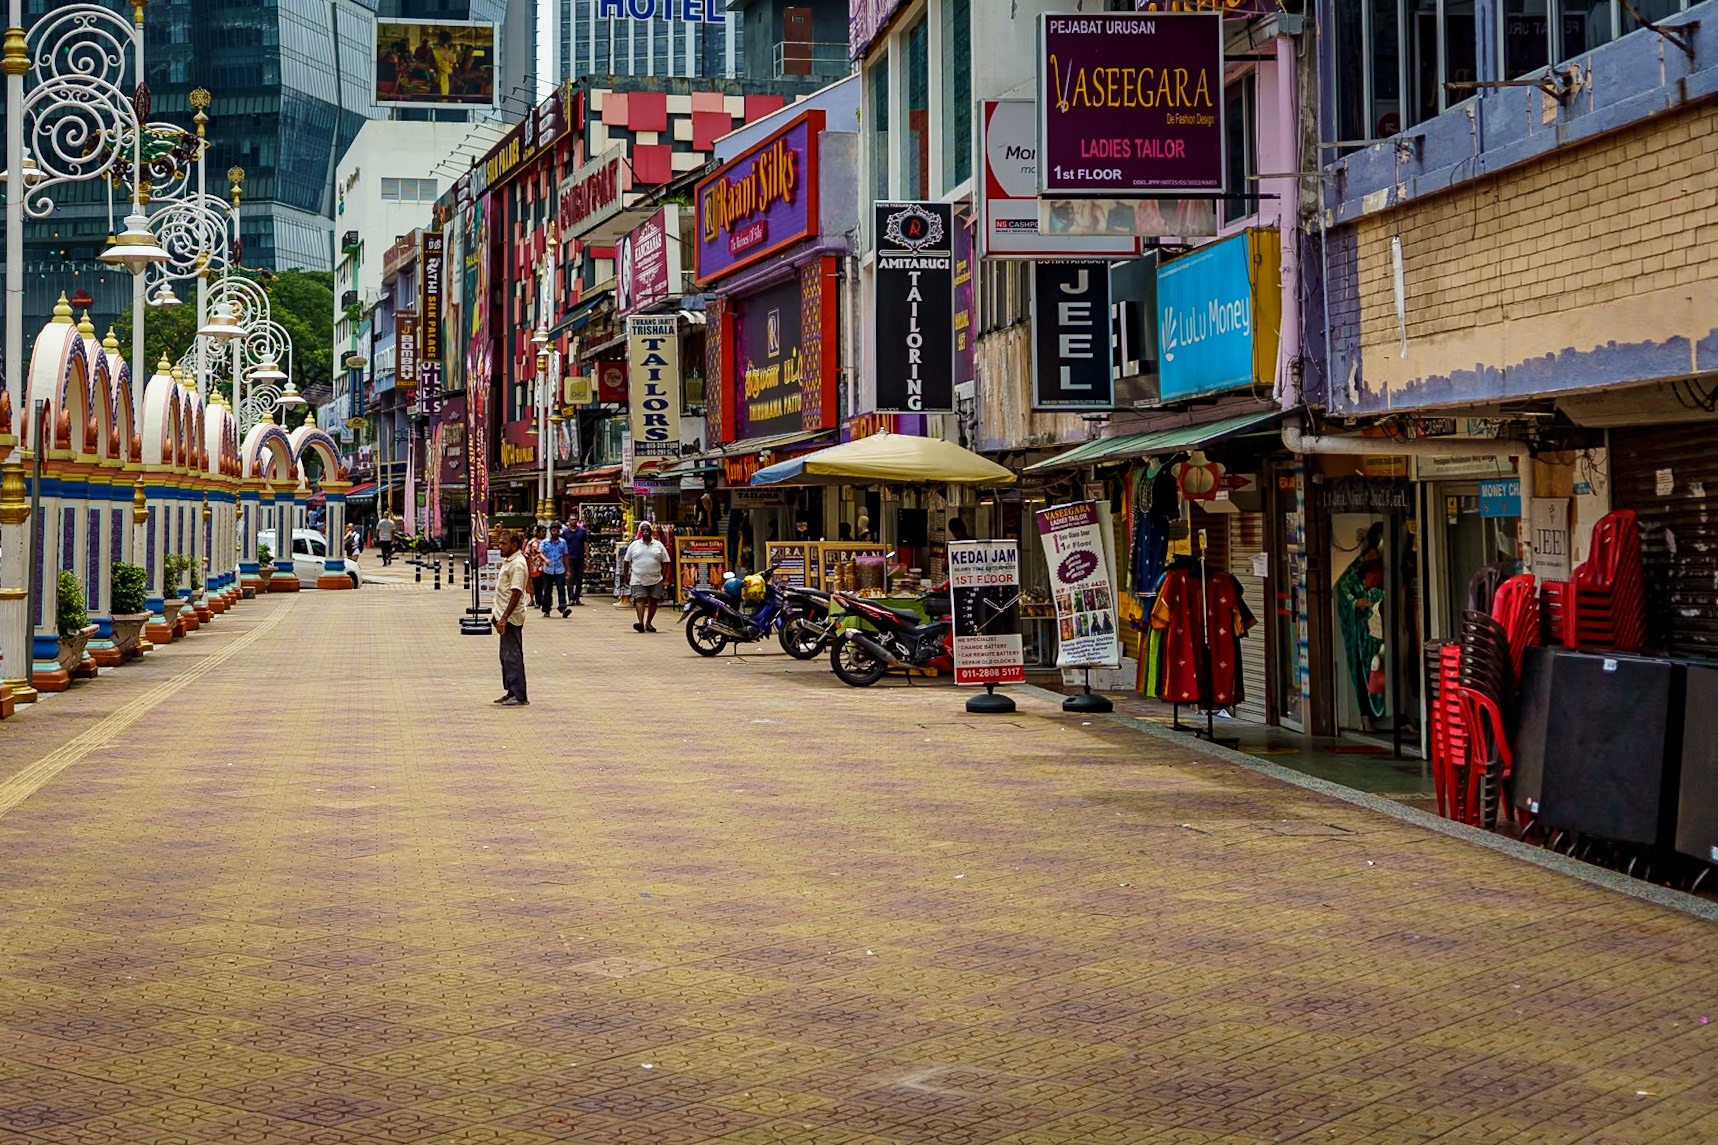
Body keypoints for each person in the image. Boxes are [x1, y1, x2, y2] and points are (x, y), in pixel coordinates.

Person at [492, 530, 529, 706]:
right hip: (503, 615)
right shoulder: (510, 562)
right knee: (505, 656)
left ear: (514, 545)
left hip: (511, 618)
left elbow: (516, 593)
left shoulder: (518, 565)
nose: (500, 547)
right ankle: (511, 690)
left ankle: (519, 694)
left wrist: (504, 618)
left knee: (512, 655)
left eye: (503, 543)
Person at [624, 522, 671, 633]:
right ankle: (640, 622)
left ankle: (648, 623)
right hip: (638, 578)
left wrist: (663, 576)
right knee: (640, 598)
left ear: (651, 532)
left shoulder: (658, 545)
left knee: (653, 601)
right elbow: (626, 561)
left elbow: (666, 561)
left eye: (647, 530)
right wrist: (625, 575)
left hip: (656, 579)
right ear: (640, 532)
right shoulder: (634, 545)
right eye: (643, 530)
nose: (645, 532)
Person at [539, 525, 569, 617]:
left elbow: (565, 556)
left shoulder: (563, 542)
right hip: (548, 569)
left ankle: (563, 607)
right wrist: (545, 560)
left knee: (561, 589)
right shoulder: (545, 542)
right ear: (550, 531)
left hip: (560, 569)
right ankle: (546, 609)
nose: (555, 532)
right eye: (553, 530)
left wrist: (568, 570)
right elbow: (541, 553)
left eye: (557, 531)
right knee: (547, 590)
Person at [563, 516, 588, 605]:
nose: (573, 521)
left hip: (580, 557)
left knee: (579, 579)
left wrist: (587, 557)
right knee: (570, 578)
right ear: (569, 520)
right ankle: (571, 598)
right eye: (572, 519)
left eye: (575, 520)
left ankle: (577, 597)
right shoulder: (565, 533)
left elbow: (585, 544)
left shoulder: (582, 531)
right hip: (569, 558)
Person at [524, 525, 546, 609]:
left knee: (545, 585)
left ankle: (546, 600)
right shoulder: (532, 542)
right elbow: (526, 553)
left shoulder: (547, 542)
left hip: (546, 566)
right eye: (542, 531)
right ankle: (538, 601)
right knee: (536, 585)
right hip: (535, 567)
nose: (544, 533)